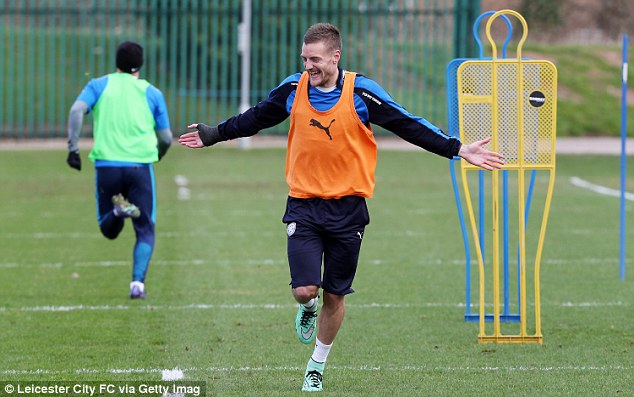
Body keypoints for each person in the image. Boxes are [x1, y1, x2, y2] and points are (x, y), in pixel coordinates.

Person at [179, 23, 503, 392]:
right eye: (304, 59)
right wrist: (214, 134)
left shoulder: (362, 93)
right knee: (305, 290)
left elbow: (408, 124)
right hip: (303, 204)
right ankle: (307, 307)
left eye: (314, 60)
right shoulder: (293, 88)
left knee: (335, 294)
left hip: (349, 209)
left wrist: (458, 149)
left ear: (336, 56)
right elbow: (256, 117)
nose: (308, 67)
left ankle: (317, 363)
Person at [66, 40, 173, 300]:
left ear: (117, 62)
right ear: (141, 64)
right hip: (140, 166)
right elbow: (167, 138)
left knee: (109, 230)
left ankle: (117, 210)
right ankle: (137, 284)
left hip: (107, 166)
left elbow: (77, 110)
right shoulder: (152, 93)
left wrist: (73, 147)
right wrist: (156, 155)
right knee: (145, 228)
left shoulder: (99, 85)